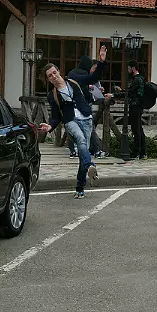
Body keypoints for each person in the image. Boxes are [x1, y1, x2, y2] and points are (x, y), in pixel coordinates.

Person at [39, 45, 107, 199]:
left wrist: (102, 62)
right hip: (70, 121)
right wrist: (50, 126)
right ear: (48, 79)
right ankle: (91, 165)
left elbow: (93, 78)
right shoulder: (52, 96)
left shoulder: (73, 81)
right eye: (50, 76)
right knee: (81, 141)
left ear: (59, 71)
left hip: (86, 119)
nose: (53, 76)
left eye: (54, 72)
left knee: (83, 154)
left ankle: (79, 186)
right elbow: (56, 116)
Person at [66, 55, 111, 159]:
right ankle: (96, 150)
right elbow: (86, 91)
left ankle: (73, 150)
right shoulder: (83, 74)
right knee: (90, 129)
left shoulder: (71, 73)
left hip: (71, 106)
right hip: (82, 106)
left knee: (73, 129)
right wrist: (93, 95)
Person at [114, 59, 146, 160]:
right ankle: (142, 152)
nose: (127, 70)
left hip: (135, 107)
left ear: (133, 68)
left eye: (128, 68)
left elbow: (130, 93)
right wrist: (122, 91)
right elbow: (130, 91)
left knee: (136, 130)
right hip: (138, 106)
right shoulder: (140, 78)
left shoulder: (137, 79)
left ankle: (137, 152)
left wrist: (115, 95)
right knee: (139, 129)